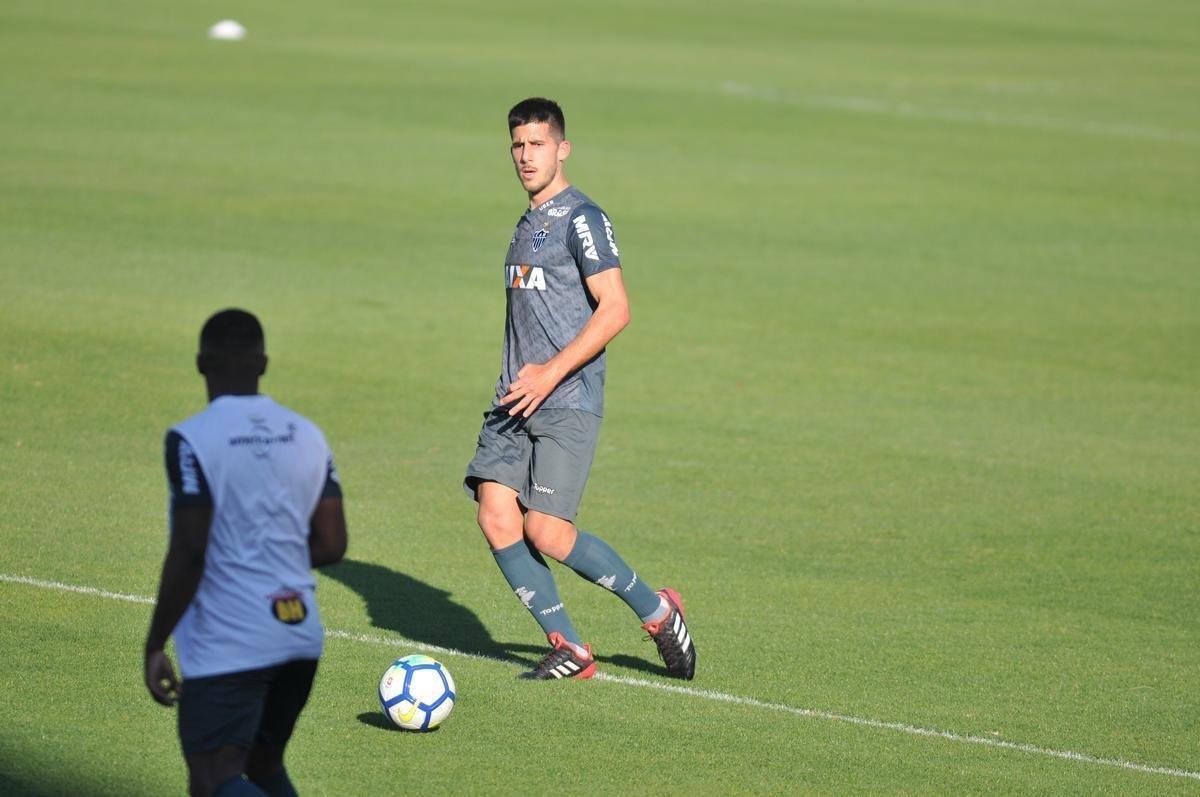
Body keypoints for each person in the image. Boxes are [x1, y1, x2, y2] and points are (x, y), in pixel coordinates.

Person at [463, 98, 696, 681]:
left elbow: (615, 309)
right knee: (496, 516)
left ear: (562, 148)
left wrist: (549, 372)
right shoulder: (527, 224)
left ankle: (657, 609)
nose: (525, 156)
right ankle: (570, 647)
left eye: (537, 144)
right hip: (514, 399)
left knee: (546, 530)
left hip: (564, 399)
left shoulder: (583, 219)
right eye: (517, 145)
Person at [143, 309, 347, 796]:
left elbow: (191, 550)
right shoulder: (306, 434)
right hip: (299, 635)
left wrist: (154, 643)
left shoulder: (191, 439)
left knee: (215, 779)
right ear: (264, 363)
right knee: (262, 763)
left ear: (200, 364)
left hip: (231, 640)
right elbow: (332, 543)